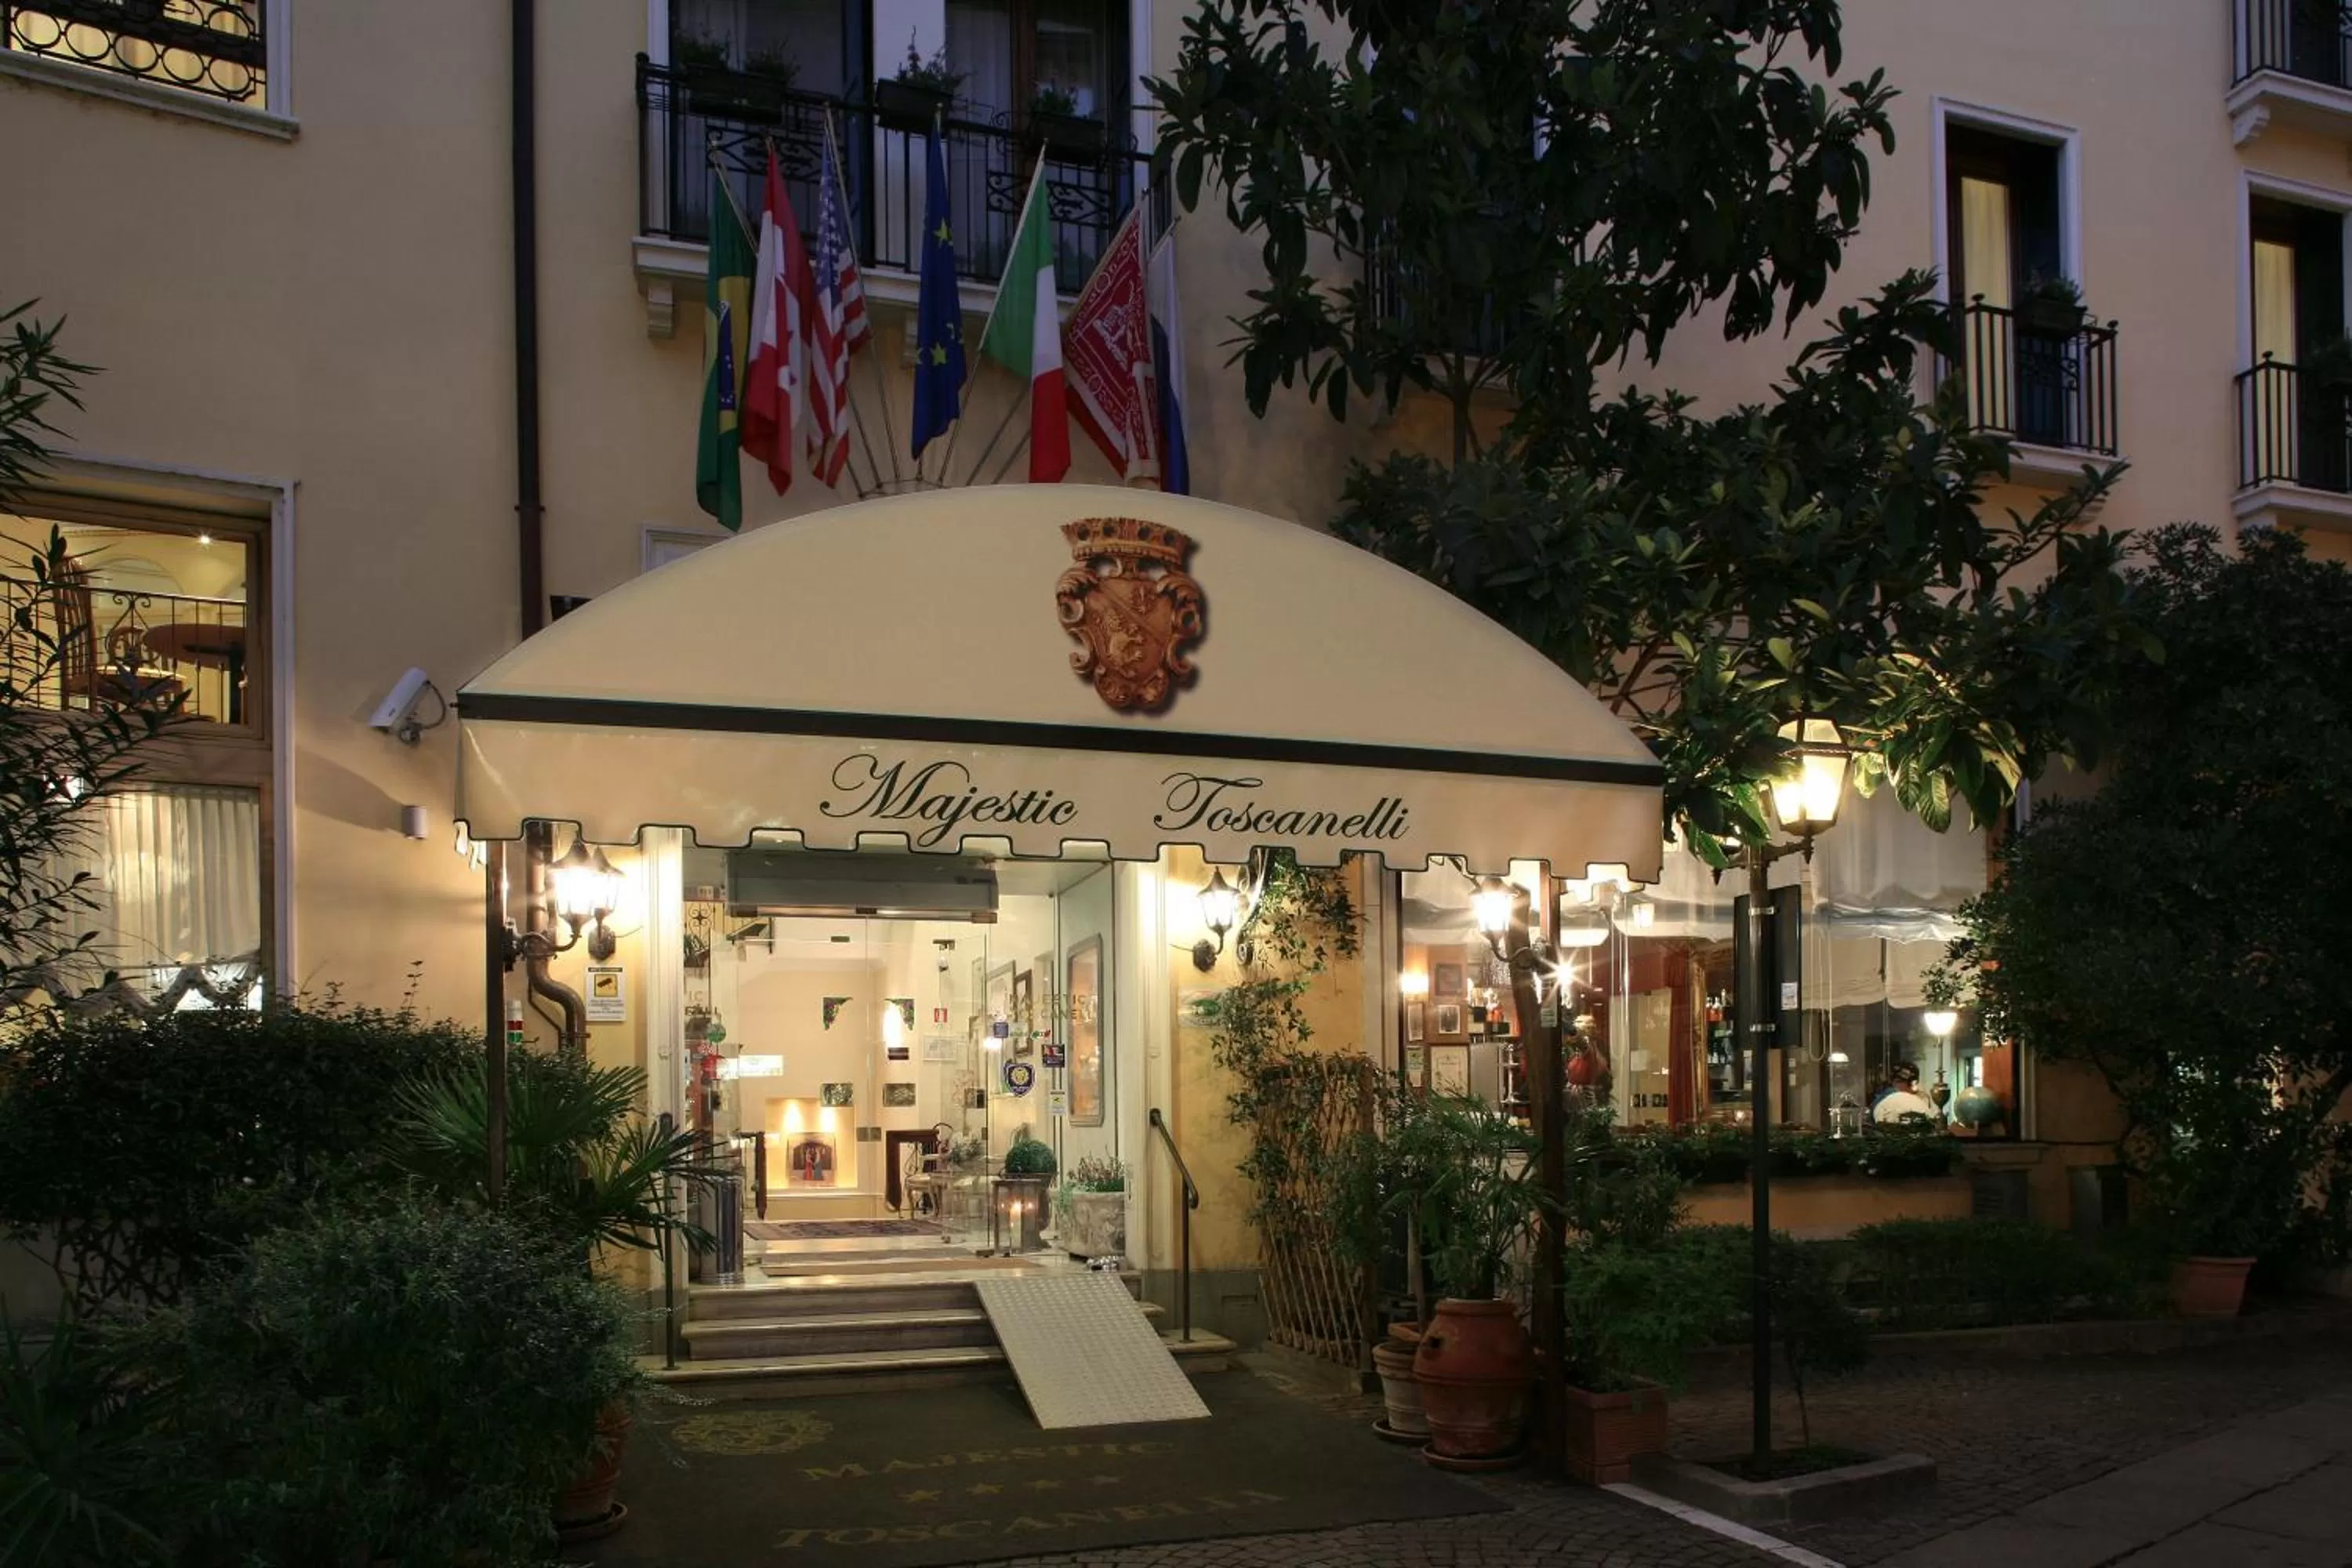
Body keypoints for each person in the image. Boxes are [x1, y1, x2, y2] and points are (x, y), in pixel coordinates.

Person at [1872, 1062, 1937, 1123]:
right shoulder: (1887, 1097)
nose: (1894, 1085)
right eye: (1897, 1082)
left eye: (1899, 1082)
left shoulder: (1923, 1098)